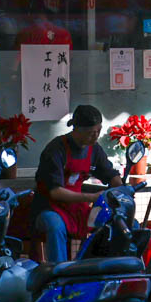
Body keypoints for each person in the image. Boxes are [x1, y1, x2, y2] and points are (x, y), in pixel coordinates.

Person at [27, 104, 123, 262]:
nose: (96, 136)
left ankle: (98, 270)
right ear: (77, 129)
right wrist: (91, 197)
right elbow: (55, 191)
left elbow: (109, 173)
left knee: (112, 222)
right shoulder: (56, 149)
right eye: (91, 132)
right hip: (48, 207)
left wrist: (119, 186)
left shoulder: (94, 149)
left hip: (78, 208)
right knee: (55, 226)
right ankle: (58, 274)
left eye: (98, 131)